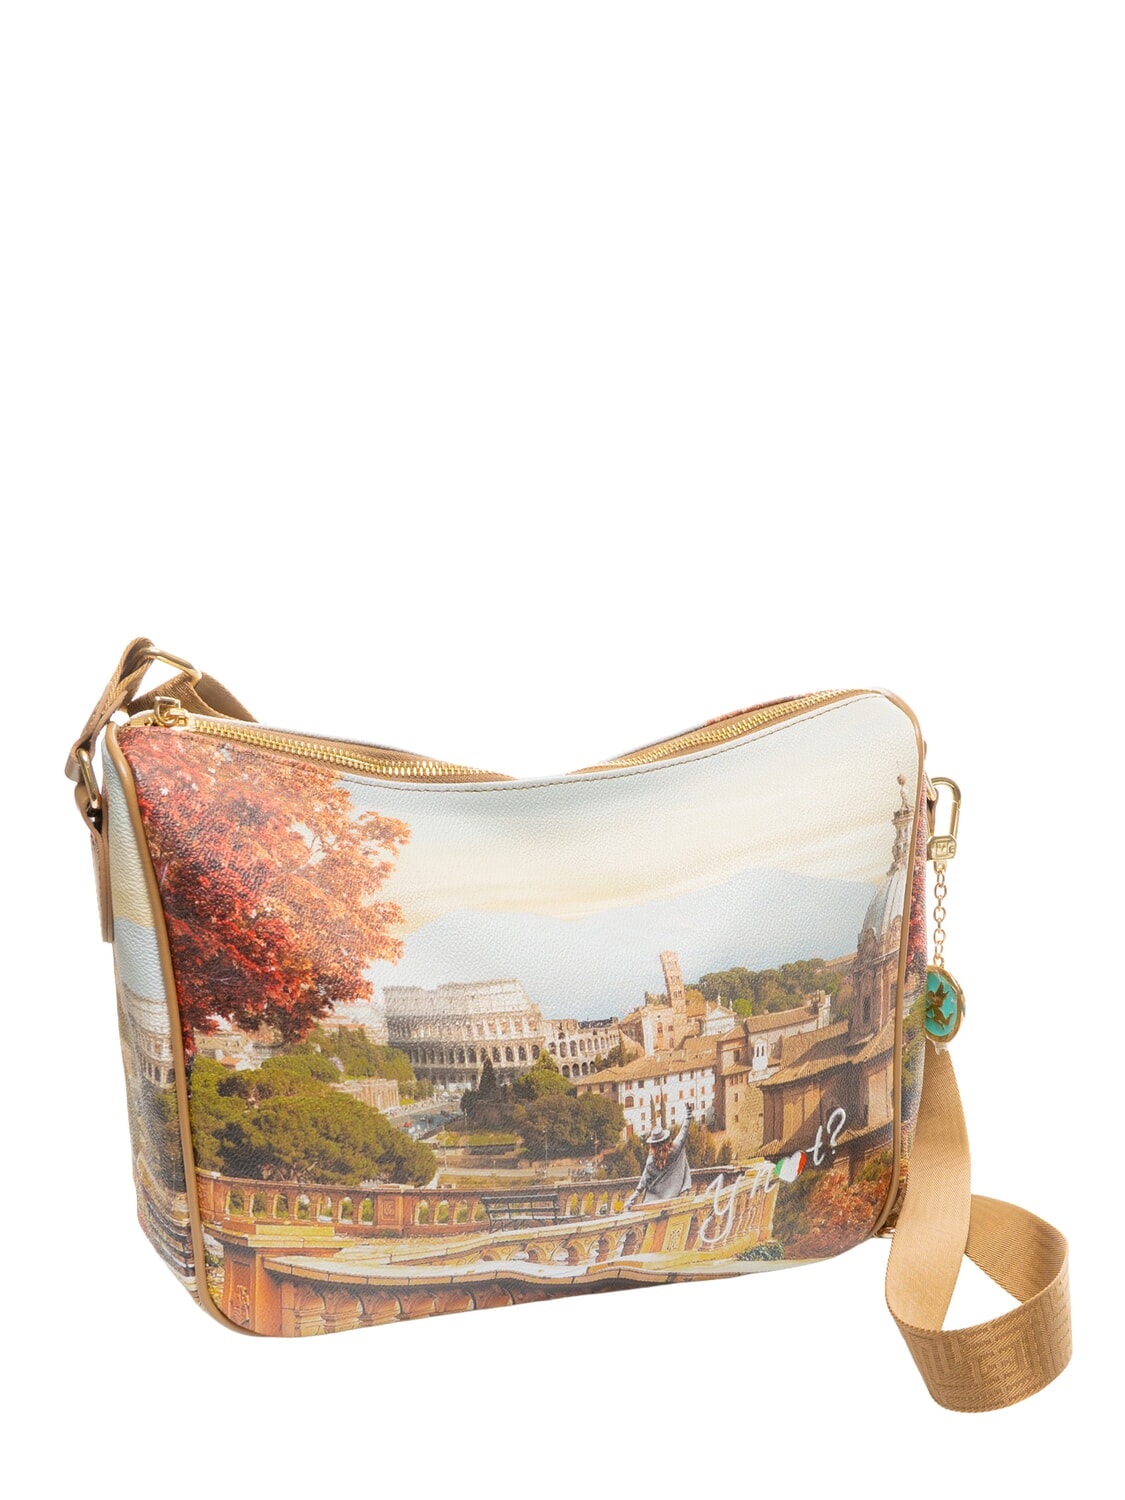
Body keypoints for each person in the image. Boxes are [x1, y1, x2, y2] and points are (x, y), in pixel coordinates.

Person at [625, 1105, 693, 1208]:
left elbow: (641, 1185)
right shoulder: (675, 1150)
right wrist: (688, 1113)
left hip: (651, 1203)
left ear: (652, 1144)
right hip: (671, 1199)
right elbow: (684, 1131)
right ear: (666, 1139)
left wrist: (630, 1201)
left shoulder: (650, 1161)